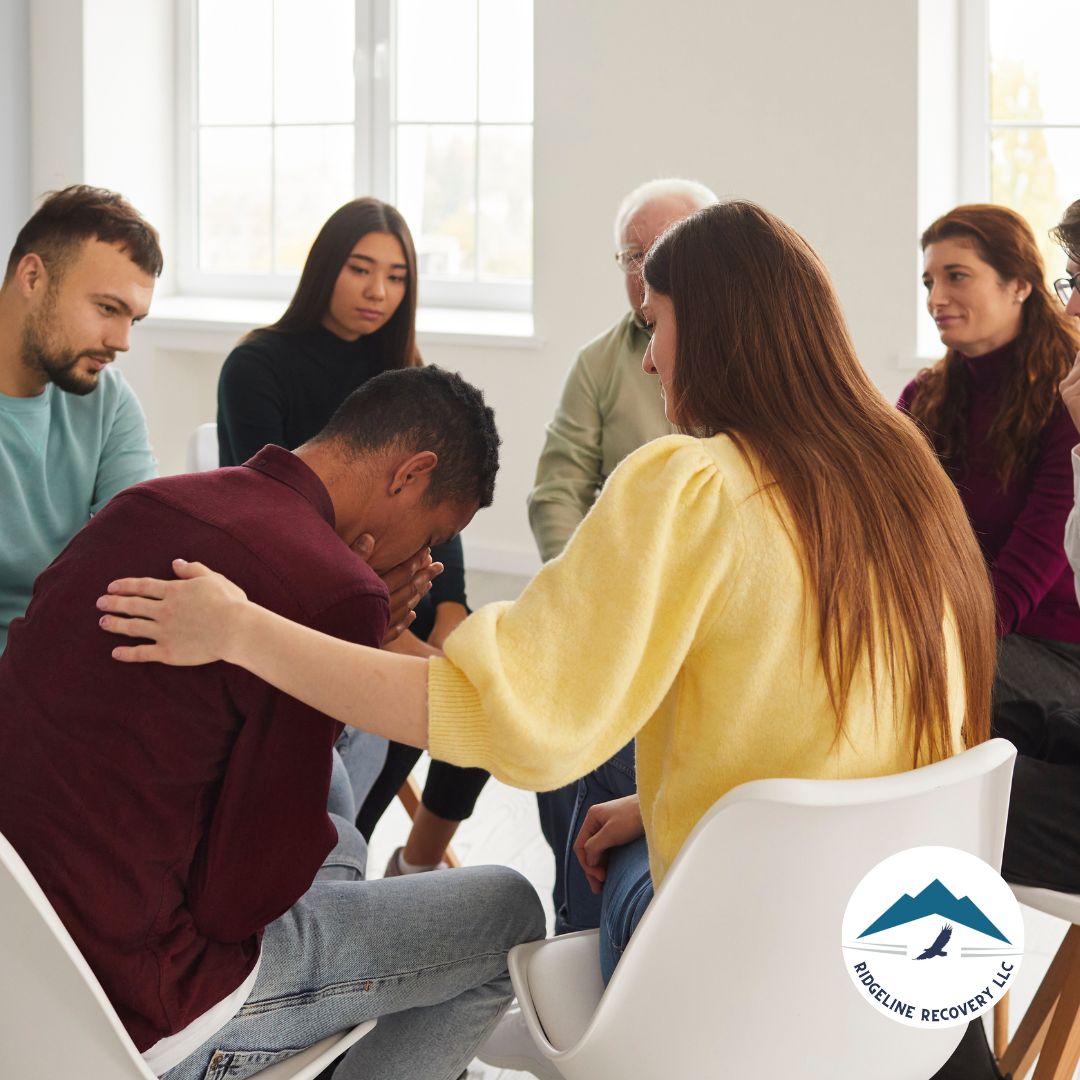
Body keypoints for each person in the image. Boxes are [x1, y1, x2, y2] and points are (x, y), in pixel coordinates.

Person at [100, 198, 997, 1046]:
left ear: (717, 333)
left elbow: (504, 718)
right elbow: (842, 725)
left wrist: (241, 629)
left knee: (561, 859)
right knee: (611, 808)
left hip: (737, 968)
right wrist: (660, 804)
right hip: (899, 962)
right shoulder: (904, 479)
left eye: (657, 326)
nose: (649, 360)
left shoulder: (689, 483)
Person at [0, 365, 544, 1080]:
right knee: (509, 915)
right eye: (435, 534)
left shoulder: (146, 504)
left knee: (342, 833)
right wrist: (352, 605)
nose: (425, 559)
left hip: (28, 969)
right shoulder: (333, 589)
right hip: (154, 1009)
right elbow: (240, 902)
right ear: (410, 474)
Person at [217, 196, 488, 874]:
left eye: (396, 276)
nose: (378, 291)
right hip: (310, 585)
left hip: (405, 582)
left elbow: (441, 514)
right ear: (324, 270)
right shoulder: (257, 366)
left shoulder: (406, 374)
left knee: (479, 686)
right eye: (360, 269)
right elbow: (263, 513)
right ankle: (345, 847)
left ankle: (416, 863)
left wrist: (449, 612)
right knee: (413, 694)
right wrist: (394, 636)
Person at [901, 204, 1080, 710]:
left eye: (956, 276)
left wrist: (927, 646)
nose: (936, 298)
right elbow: (881, 513)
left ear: (1020, 283)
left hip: (1055, 646)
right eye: (929, 282)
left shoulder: (1068, 396)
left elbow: (1025, 577)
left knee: (909, 682)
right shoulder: (925, 394)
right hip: (963, 625)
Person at [0, 184, 159, 653]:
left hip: (66, 657)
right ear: (32, 278)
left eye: (134, 320)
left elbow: (140, 553)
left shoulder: (106, 397)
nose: (122, 341)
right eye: (107, 309)